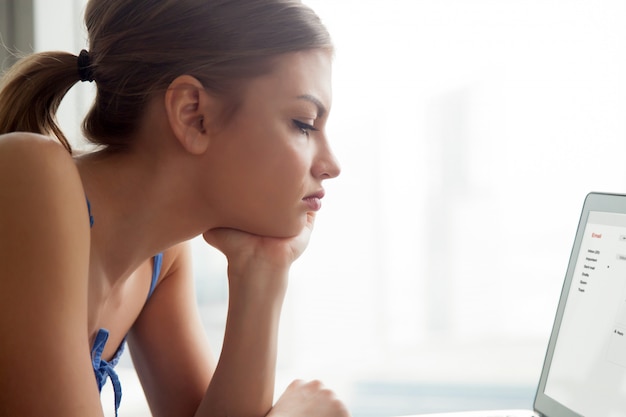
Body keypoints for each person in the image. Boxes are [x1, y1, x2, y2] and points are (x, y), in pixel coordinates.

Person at [0, 0, 347, 416]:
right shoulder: (28, 174)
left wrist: (263, 270)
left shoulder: (159, 260)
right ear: (193, 114)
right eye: (304, 123)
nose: (331, 166)